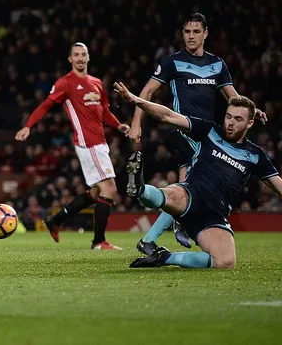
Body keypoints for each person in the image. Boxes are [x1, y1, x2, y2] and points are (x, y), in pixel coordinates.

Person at [127, 13, 267, 255]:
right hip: (185, 129)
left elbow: (233, 97)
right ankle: (182, 221)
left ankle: (154, 236)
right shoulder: (173, 62)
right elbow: (147, 92)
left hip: (206, 133)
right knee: (195, 186)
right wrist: (136, 123)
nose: (191, 36)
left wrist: (254, 110)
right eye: (187, 32)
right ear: (182, 34)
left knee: (188, 185)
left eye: (195, 32)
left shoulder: (217, 65)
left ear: (205, 34)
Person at [115, 82, 281, 268]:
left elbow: (279, 186)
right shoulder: (210, 130)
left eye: (237, 119)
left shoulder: (256, 155)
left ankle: (163, 257)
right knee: (172, 194)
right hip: (191, 195)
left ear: (250, 123)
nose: (230, 123)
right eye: (228, 117)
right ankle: (140, 189)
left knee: (225, 262)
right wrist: (136, 100)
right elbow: (167, 115)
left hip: (214, 215)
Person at [15, 42, 129, 250]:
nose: (79, 58)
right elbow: (46, 105)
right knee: (109, 188)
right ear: (70, 59)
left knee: (97, 193)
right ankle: (98, 241)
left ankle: (56, 220)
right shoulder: (65, 83)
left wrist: (118, 125)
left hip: (100, 143)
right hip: (88, 143)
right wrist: (28, 126)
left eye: (83, 54)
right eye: (75, 55)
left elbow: (104, 110)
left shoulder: (96, 83)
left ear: (88, 57)